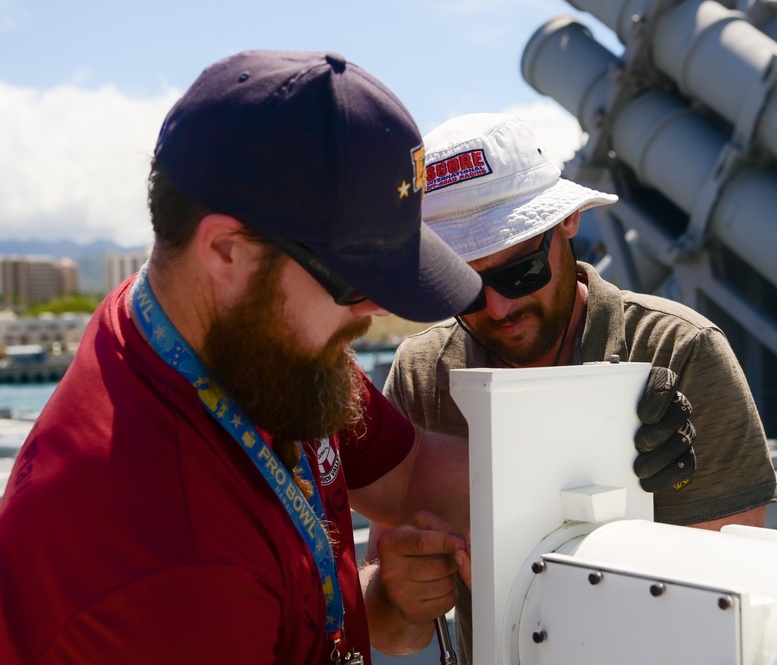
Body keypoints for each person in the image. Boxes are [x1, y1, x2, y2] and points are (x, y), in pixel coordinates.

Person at [0, 50, 481, 665]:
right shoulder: (165, 560)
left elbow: (410, 473)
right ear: (226, 251)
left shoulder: (241, 342)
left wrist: (599, 470)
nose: (368, 315)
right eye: (353, 284)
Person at [363, 113, 777, 662]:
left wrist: (664, 507)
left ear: (568, 223)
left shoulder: (681, 351)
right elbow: (400, 637)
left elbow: (737, 612)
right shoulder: (422, 372)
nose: (498, 307)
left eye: (521, 273)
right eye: (463, 288)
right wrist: (396, 597)